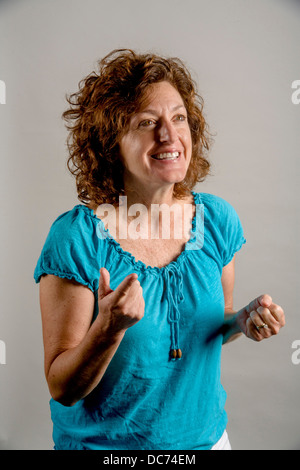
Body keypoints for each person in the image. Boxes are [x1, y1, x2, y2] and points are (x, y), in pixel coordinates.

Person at [34, 49, 285, 450]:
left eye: (179, 117)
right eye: (147, 123)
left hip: (207, 441)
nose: (169, 135)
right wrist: (108, 328)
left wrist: (242, 321)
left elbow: (211, 324)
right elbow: (62, 387)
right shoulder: (76, 239)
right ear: (110, 143)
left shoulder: (216, 220)